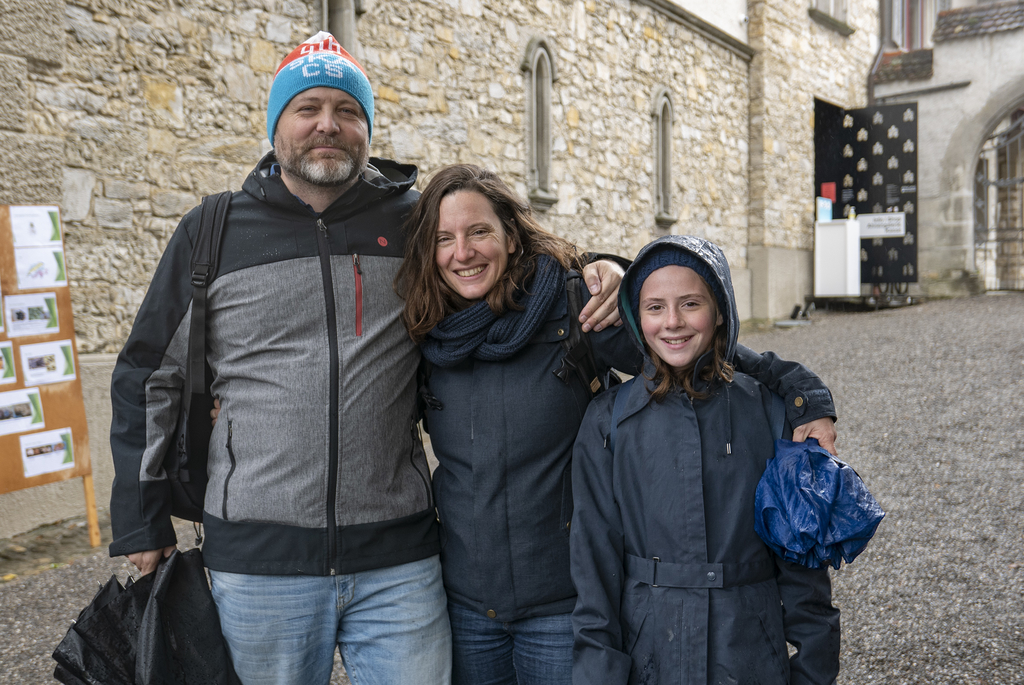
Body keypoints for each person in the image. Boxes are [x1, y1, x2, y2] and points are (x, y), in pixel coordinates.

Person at [107, 32, 619, 685]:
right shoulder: (214, 231)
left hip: (400, 561)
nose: (329, 124)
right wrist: (143, 518)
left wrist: (608, 268)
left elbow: (508, 255)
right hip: (259, 561)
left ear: (368, 128)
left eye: (348, 111)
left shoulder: (415, 225)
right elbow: (149, 375)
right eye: (308, 108)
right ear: (276, 125)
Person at [393, 165, 841, 685]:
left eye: (479, 232)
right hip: (468, 606)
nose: (462, 252)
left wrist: (798, 392)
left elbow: (682, 343)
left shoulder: (572, 308)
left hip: (563, 607)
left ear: (511, 237)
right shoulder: (428, 332)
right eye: (444, 238)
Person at [570, 235, 842, 685]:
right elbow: (593, 565)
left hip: (748, 655)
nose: (672, 322)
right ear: (637, 318)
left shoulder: (771, 413)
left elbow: (803, 568)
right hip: (650, 654)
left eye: (690, 303)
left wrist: (813, 669)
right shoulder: (607, 422)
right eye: (655, 307)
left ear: (719, 311)